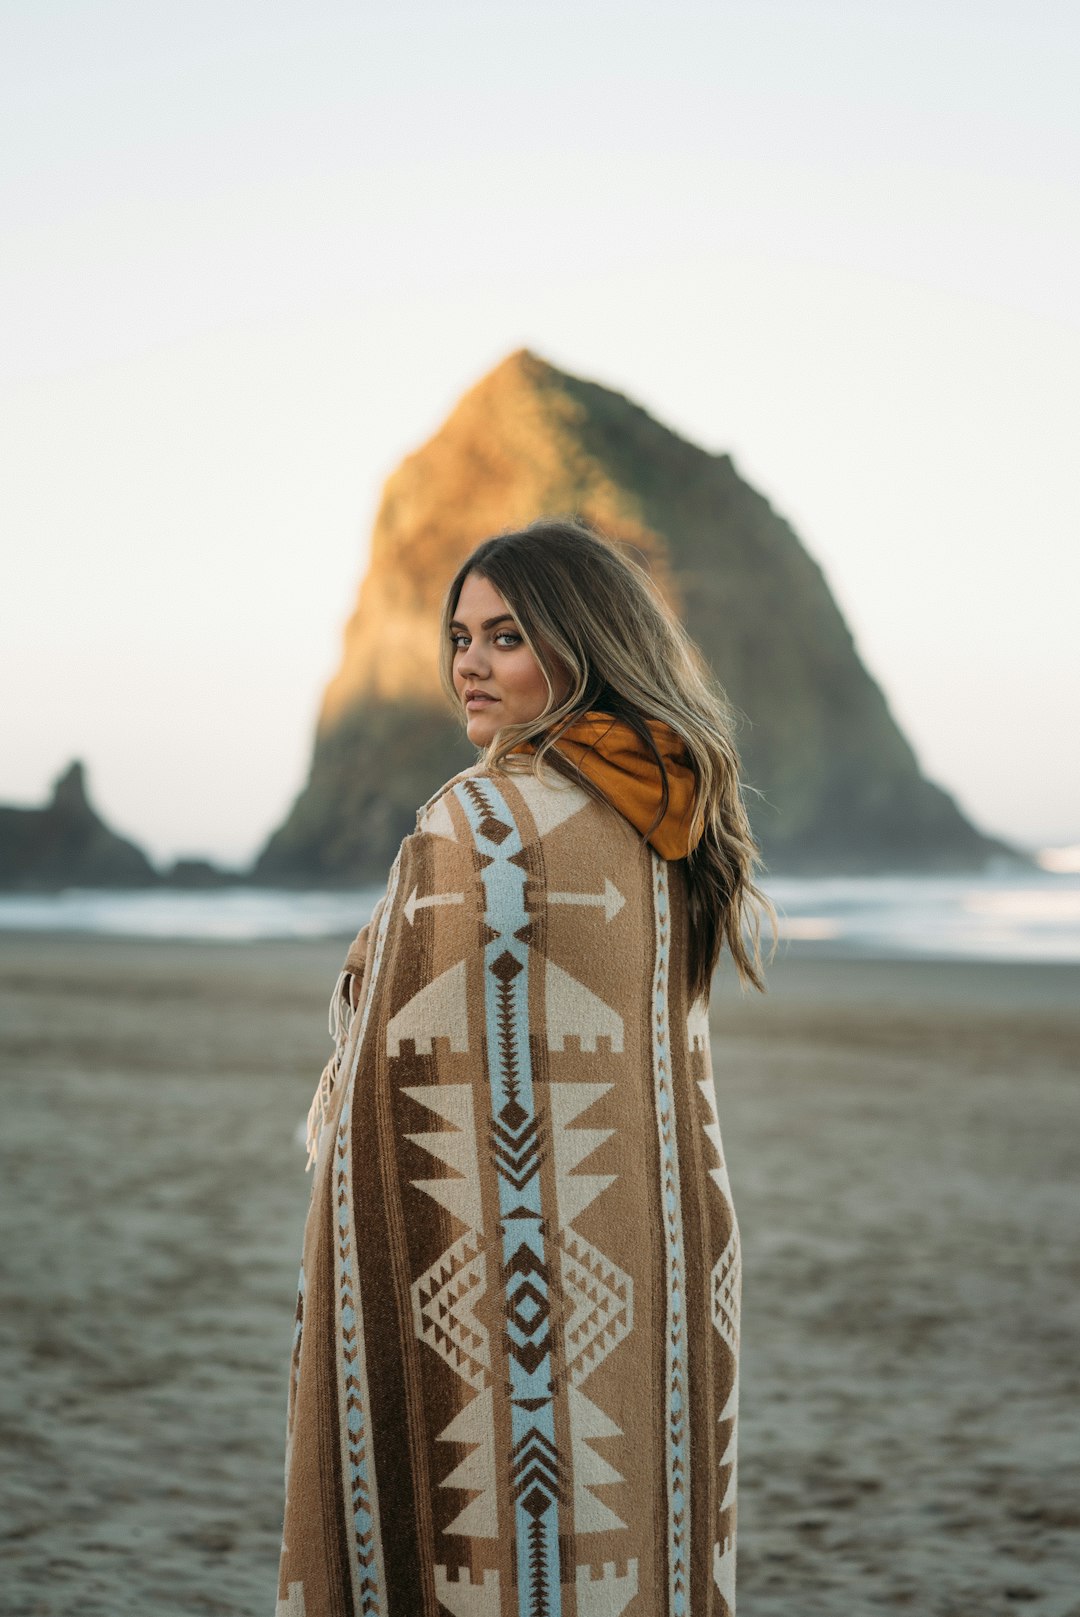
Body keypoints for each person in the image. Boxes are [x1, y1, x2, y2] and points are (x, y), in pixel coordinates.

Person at [276, 517, 776, 1617]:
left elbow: (385, 1084)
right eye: (461, 636)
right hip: (640, 1249)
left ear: (579, 644)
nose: (470, 663)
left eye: (505, 636)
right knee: (621, 1530)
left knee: (468, 1537)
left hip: (475, 1262)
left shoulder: (479, 820)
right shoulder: (670, 825)